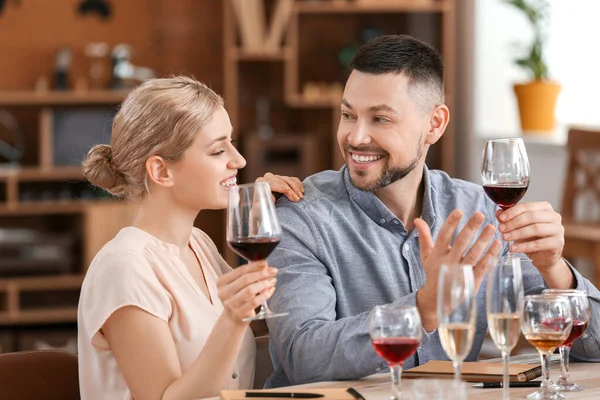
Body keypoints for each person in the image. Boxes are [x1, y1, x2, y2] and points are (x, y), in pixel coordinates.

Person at [264, 35, 600, 387]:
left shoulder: (479, 214)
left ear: (435, 124)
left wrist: (554, 269)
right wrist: (422, 309)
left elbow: (593, 347)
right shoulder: (300, 217)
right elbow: (302, 358)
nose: (356, 136)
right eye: (348, 115)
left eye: (380, 119)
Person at [77, 76, 304, 399]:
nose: (238, 161)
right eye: (217, 150)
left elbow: (254, 330)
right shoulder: (124, 268)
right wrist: (233, 318)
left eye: (232, 143)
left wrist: (267, 218)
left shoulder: (199, 244)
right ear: (161, 171)